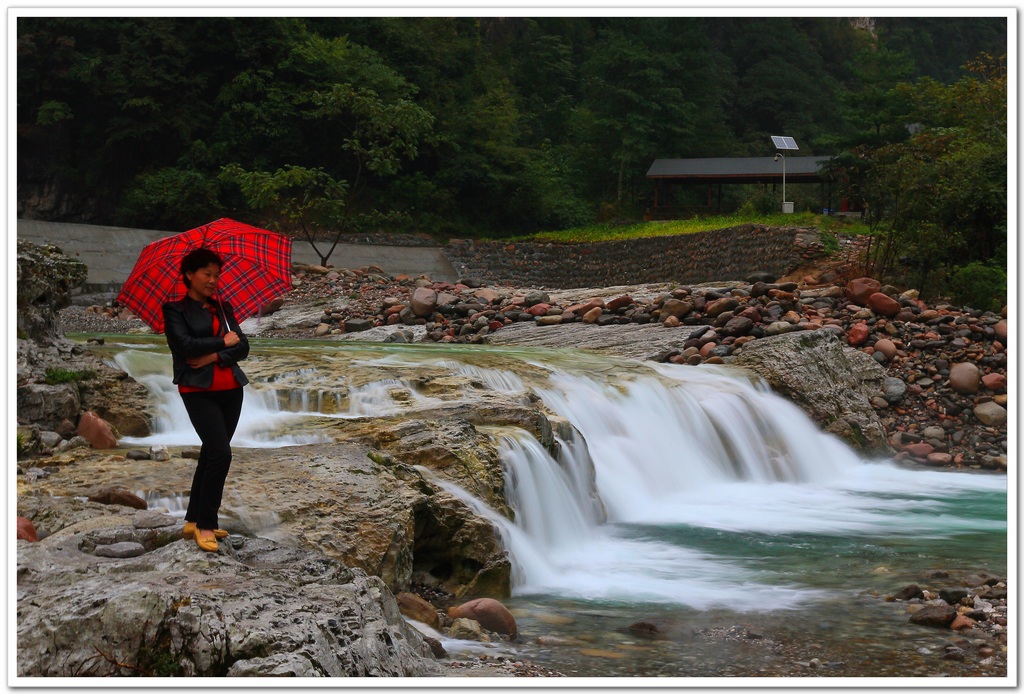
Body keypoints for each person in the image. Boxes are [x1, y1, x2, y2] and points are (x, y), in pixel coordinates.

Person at [162, 248, 249, 552]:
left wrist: (213, 353)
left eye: (217, 275)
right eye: (207, 274)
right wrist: (222, 342)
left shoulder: (223, 307)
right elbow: (184, 346)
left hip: (231, 389)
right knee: (221, 453)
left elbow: (243, 347)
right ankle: (206, 525)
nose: (214, 280)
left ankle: (192, 518)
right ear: (189, 274)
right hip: (198, 391)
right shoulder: (174, 310)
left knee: (211, 453)